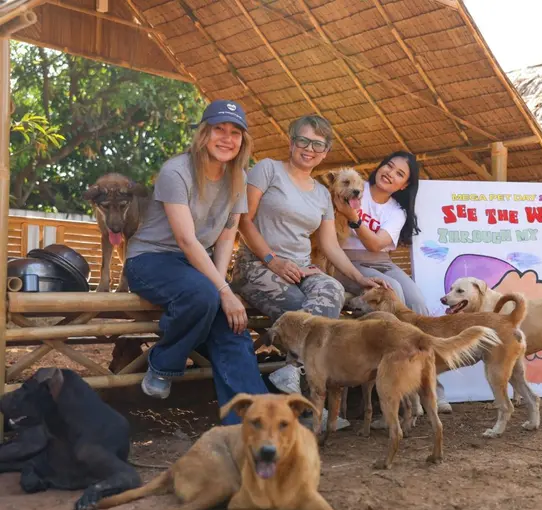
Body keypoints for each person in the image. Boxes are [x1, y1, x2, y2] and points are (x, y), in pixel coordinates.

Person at [230, 114, 383, 428]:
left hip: (301, 269)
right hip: (257, 265)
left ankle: (295, 375)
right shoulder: (267, 169)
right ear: (291, 141)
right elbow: (244, 220)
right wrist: (272, 260)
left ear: (325, 152)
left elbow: (330, 246)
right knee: (307, 315)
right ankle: (311, 408)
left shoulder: (321, 194)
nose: (309, 149)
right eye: (303, 140)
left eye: (318, 144)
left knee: (333, 291)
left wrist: (358, 278)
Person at [124, 100, 269, 425]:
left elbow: (226, 237)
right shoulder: (176, 171)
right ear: (204, 133)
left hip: (195, 266)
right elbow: (187, 240)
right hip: (151, 260)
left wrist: (221, 291)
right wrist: (221, 290)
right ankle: (163, 364)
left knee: (233, 326)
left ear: (243, 141)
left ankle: (253, 421)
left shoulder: (239, 179)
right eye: (220, 129)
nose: (227, 138)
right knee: (204, 296)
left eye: (235, 132)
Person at [333, 151, 452, 414]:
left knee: (417, 302)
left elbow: (376, 243)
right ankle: (398, 385)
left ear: (404, 185)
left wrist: (353, 218)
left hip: (382, 261)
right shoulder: (353, 186)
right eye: (388, 166)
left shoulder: (396, 211)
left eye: (399, 173)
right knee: (392, 291)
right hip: (346, 262)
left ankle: (431, 387)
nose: (390, 173)